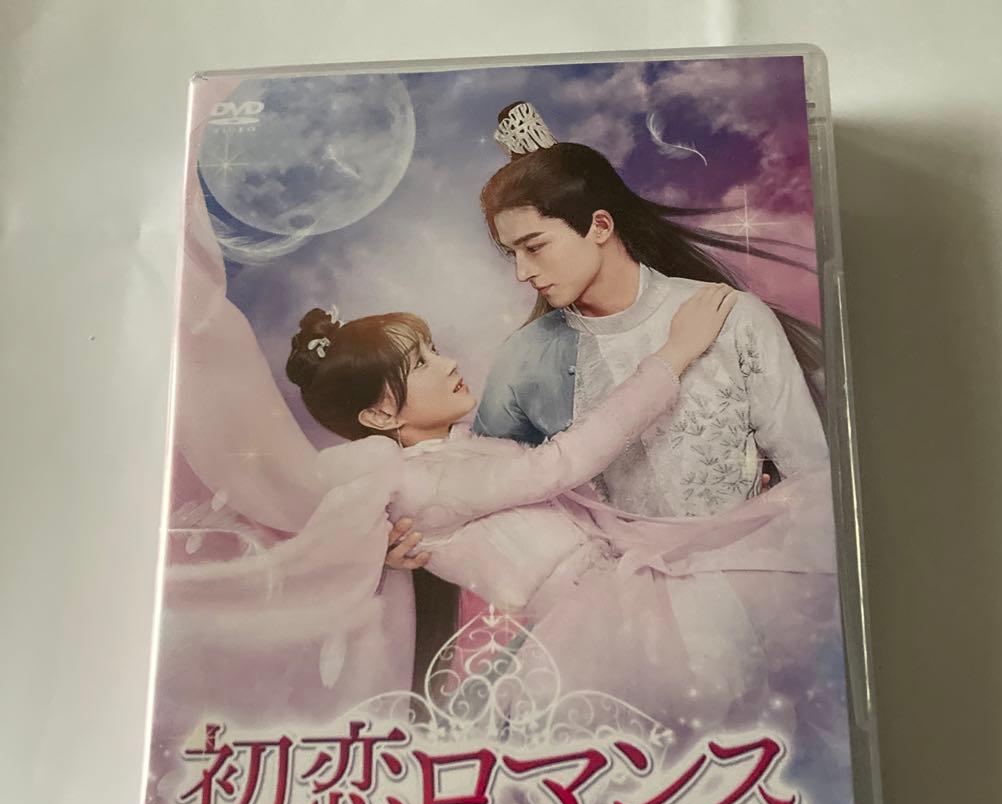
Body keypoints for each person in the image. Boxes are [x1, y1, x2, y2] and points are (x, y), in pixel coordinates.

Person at [169, 287, 838, 733]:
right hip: (603, 619)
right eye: (420, 364)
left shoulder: (458, 456)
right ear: (378, 414)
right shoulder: (419, 483)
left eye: (433, 349)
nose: (448, 363)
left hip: (623, 588)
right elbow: (563, 464)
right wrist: (674, 355)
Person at [472, 101, 828, 521]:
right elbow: (480, 491)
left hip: (755, 557)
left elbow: (815, 480)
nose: (522, 273)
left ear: (600, 226)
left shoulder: (730, 317)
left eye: (534, 247)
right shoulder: (523, 359)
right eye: (511, 253)